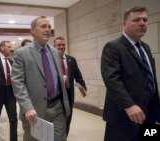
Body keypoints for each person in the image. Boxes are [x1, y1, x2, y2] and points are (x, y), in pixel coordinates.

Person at [101, 6, 160, 141]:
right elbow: (112, 80)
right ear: (124, 23)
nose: (142, 23)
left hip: (149, 113)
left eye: (145, 20)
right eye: (136, 20)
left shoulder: (145, 47)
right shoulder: (113, 47)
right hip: (125, 115)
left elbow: (149, 79)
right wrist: (129, 105)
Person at [11, 16, 70, 141]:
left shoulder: (55, 52)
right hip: (34, 110)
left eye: (49, 27)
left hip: (58, 108)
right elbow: (17, 82)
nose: (48, 29)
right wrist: (27, 107)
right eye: (43, 26)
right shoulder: (22, 53)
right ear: (32, 30)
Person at [53, 36, 87, 136]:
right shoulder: (50, 60)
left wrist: (82, 86)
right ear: (54, 46)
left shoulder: (71, 60)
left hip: (68, 94)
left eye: (63, 44)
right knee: (56, 121)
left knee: (68, 118)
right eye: (58, 45)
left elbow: (78, 75)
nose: (61, 47)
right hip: (55, 94)